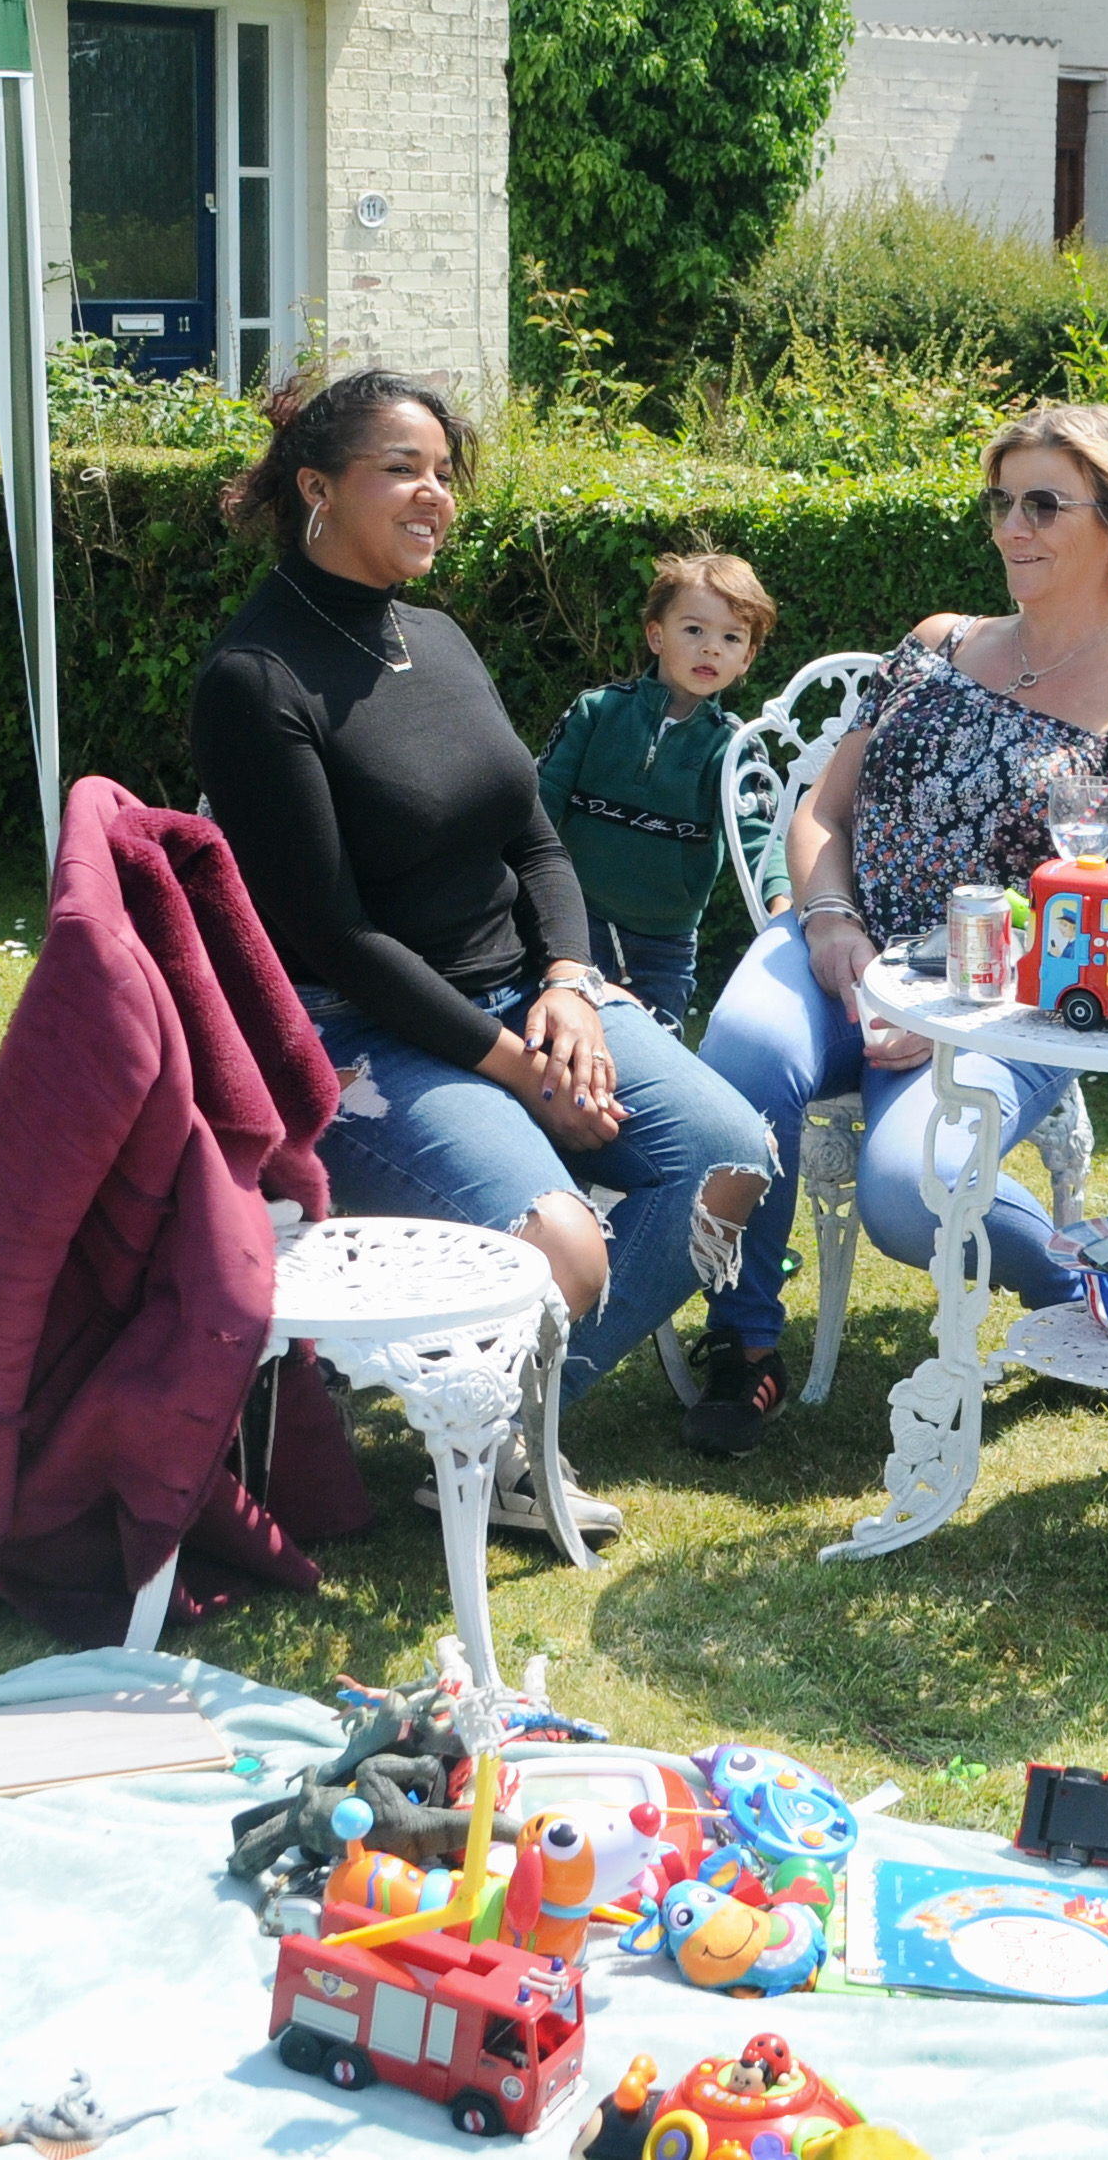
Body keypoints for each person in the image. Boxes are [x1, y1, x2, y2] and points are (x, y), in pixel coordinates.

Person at [191, 368, 779, 1534]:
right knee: (563, 1245)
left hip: (526, 989)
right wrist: (520, 1071)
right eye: (401, 469)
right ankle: (486, 1416)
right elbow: (337, 939)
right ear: (316, 487)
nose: (434, 495)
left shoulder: (438, 637)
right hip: (363, 1035)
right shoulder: (255, 679)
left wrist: (566, 981)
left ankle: (505, 1435)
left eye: (443, 473)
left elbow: (534, 837)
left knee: (731, 1156)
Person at [688, 403, 1108, 1456]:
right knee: (740, 1066)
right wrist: (832, 927)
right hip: (838, 949)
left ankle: (1097, 1290)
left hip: (1002, 1006)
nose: (1014, 527)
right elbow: (822, 812)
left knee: (908, 1195)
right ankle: (744, 1344)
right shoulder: (936, 644)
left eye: (1045, 505)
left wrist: (949, 1013)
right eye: (1003, 502)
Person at [532, 552, 786, 1028]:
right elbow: (537, 804)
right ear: (656, 635)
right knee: (558, 1047)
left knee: (652, 1054)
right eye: (694, 630)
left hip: (663, 947)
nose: (711, 648)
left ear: (747, 657)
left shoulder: (734, 746)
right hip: (572, 924)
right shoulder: (597, 712)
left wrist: (782, 907)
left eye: (731, 638)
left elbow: (760, 837)